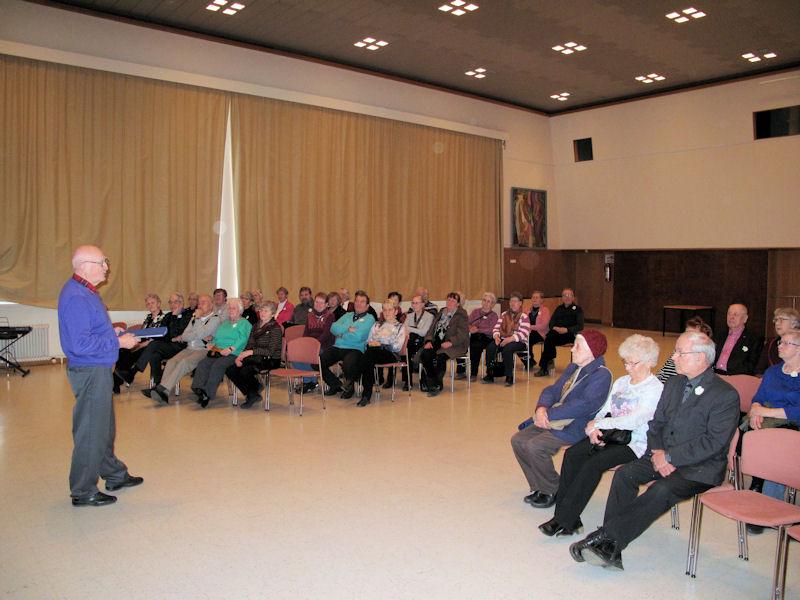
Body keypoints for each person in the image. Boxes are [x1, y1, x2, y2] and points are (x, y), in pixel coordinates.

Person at [570, 331, 739, 571]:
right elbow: (656, 423)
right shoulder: (674, 383)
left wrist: (670, 457)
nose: (674, 356)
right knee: (625, 475)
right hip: (662, 454)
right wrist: (659, 452)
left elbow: (713, 443)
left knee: (661, 490)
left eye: (680, 352)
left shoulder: (725, 395)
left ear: (700, 357)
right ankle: (610, 547)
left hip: (700, 467)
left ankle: (605, 538)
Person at [539, 334, 663, 537]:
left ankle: (563, 520)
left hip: (633, 443)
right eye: (625, 362)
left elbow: (634, 420)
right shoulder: (622, 382)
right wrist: (592, 428)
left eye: (633, 363)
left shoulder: (655, 389)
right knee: (572, 455)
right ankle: (567, 516)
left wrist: (600, 424)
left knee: (593, 464)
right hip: (610, 434)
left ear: (650, 363)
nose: (628, 368)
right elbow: (604, 410)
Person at [58, 245, 142, 507]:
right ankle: (83, 490)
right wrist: (118, 343)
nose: (106, 267)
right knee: (92, 431)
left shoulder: (85, 291)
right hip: (91, 371)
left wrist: (111, 333)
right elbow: (79, 344)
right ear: (85, 266)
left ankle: (114, 474)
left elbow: (90, 331)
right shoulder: (77, 297)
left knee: (104, 427)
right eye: (102, 262)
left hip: (98, 368)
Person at [511, 330, 612, 509]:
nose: (572, 349)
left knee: (536, 446)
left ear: (591, 351)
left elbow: (584, 405)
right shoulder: (573, 368)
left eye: (577, 347)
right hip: (556, 418)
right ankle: (539, 486)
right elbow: (552, 390)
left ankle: (552, 489)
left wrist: (548, 414)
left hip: (577, 425)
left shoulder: (601, 375)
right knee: (518, 440)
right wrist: (542, 408)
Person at [738, 329, 800, 533]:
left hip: (794, 423)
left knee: (777, 445)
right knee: (750, 432)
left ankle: (768, 507)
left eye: (786, 343)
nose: (779, 346)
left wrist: (766, 412)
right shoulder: (773, 371)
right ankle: (759, 489)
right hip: (768, 419)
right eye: (780, 342)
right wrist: (756, 411)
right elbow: (758, 396)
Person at [149, 294, 221, 404]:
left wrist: (198, 321)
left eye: (203, 302)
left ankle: (162, 389)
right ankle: (163, 392)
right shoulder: (194, 317)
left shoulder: (215, 319)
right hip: (189, 348)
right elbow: (185, 335)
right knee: (171, 362)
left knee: (185, 362)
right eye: (199, 303)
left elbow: (201, 333)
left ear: (211, 305)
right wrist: (197, 334)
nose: (200, 305)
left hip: (203, 349)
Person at [191, 299, 253, 408]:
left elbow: (243, 339)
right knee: (203, 363)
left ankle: (208, 394)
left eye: (233, 308)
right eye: (229, 308)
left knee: (218, 365)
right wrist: (211, 344)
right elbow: (217, 338)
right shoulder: (225, 323)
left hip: (234, 353)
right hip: (218, 351)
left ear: (240, 310)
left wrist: (230, 349)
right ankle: (198, 389)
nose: (231, 310)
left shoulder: (244, 323)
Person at [225, 301, 283, 409]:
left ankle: (252, 394)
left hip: (270, 359)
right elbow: (249, 344)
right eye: (261, 310)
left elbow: (270, 351)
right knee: (230, 370)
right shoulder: (256, 326)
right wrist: (240, 356)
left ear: (272, 314)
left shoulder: (276, 328)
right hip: (255, 357)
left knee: (245, 370)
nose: (262, 313)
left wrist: (251, 352)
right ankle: (253, 391)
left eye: (266, 311)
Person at [320, 290, 376, 399]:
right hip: (338, 346)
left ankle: (350, 387)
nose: (358, 304)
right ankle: (336, 384)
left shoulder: (370, 318)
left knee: (348, 364)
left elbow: (359, 336)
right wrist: (347, 329)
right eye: (357, 301)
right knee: (318, 362)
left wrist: (341, 334)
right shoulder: (347, 315)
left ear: (367, 306)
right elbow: (333, 328)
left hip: (355, 348)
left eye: (362, 302)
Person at [135, 292, 192, 395]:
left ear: (182, 302)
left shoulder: (188, 315)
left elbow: (178, 334)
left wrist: (174, 317)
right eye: (170, 302)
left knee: (153, 344)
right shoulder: (168, 315)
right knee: (154, 355)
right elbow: (163, 334)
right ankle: (157, 387)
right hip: (168, 346)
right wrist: (170, 336)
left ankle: (134, 370)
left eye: (175, 302)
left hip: (181, 348)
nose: (172, 305)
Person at [112, 293, 166, 392]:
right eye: (148, 303)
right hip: (142, 344)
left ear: (158, 303)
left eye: (152, 303)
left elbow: (158, 338)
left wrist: (140, 345)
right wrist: (135, 342)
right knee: (123, 350)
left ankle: (117, 381)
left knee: (134, 354)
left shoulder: (164, 318)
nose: (150, 305)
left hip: (153, 346)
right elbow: (142, 334)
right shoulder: (148, 317)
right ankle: (118, 381)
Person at [419, 292, 468, 397]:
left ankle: (436, 385)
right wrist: (428, 341)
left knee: (441, 356)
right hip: (437, 341)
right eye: (448, 299)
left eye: (453, 301)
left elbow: (462, 334)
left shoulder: (461, 314)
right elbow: (431, 329)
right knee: (425, 354)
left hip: (455, 344)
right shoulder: (441, 312)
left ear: (458, 304)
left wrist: (451, 342)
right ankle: (432, 380)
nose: (450, 302)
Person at [357, 300, 407, 407]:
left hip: (390, 354)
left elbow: (397, 347)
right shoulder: (377, 325)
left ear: (396, 311)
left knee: (367, 357)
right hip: (373, 353)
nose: (387, 312)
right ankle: (366, 395)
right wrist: (371, 343)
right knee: (368, 357)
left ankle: (357, 380)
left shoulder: (400, 327)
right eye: (384, 310)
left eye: (390, 310)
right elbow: (369, 340)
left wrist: (381, 344)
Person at [483, 292, 530, 386]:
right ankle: (490, 373)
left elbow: (523, 333)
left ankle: (509, 376)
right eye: (511, 301)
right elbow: (496, 328)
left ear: (520, 303)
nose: (513, 303)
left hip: (518, 341)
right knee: (490, 347)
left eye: (515, 301)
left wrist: (510, 339)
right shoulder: (504, 314)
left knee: (507, 349)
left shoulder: (524, 317)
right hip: (503, 338)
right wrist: (496, 336)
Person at [535, 288, 584, 377]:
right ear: (562, 298)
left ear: (573, 297)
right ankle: (545, 366)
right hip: (557, 334)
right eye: (565, 295)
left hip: (570, 334)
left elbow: (580, 326)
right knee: (549, 337)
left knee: (549, 340)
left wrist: (567, 329)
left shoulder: (578, 309)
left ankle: (546, 364)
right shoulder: (559, 308)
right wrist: (555, 328)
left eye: (569, 295)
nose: (567, 297)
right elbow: (551, 322)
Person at [294, 292, 336, 394]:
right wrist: (305, 344)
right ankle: (310, 381)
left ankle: (310, 382)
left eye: (321, 303)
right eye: (317, 302)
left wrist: (314, 345)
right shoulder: (310, 315)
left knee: (311, 357)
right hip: (310, 345)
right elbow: (306, 333)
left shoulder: (330, 316)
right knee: (296, 357)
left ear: (326, 305)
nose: (318, 305)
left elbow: (326, 334)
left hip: (324, 345)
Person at [456, 292, 498, 382]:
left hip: (486, 338)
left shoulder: (494, 316)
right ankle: (461, 371)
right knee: (459, 343)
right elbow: (467, 323)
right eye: (484, 300)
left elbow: (491, 330)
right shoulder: (475, 312)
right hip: (473, 335)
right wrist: (470, 328)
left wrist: (478, 329)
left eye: (488, 301)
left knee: (475, 346)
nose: (486, 303)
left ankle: (473, 373)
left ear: (492, 304)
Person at [656, 316, 713, 382]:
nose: (685, 336)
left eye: (691, 335)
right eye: (685, 333)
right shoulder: (677, 353)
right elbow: (662, 372)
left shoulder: (701, 362)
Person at [713, 303, 762, 375]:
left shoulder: (753, 339)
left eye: (735, 314)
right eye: (729, 314)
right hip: (714, 375)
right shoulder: (719, 335)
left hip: (736, 377)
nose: (731, 317)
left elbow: (751, 366)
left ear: (745, 318)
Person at [755, 308, 800, 375]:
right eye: (776, 320)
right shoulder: (771, 343)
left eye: (782, 319)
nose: (777, 323)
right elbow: (760, 370)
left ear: (794, 323)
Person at [404, 294, 434, 391]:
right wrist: (416, 329)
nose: (414, 305)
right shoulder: (409, 316)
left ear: (423, 304)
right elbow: (404, 329)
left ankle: (424, 380)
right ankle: (408, 381)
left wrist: (410, 328)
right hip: (411, 342)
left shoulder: (429, 316)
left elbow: (424, 332)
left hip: (423, 342)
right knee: (405, 352)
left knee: (425, 354)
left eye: (417, 303)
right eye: (413, 303)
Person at [526, 290, 550, 368]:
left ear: (542, 300)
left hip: (541, 333)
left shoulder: (545, 310)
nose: (534, 299)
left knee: (528, 339)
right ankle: (529, 360)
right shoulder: (527, 310)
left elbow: (543, 325)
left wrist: (530, 327)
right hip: (529, 332)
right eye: (533, 297)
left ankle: (529, 360)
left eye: (537, 297)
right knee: (522, 340)